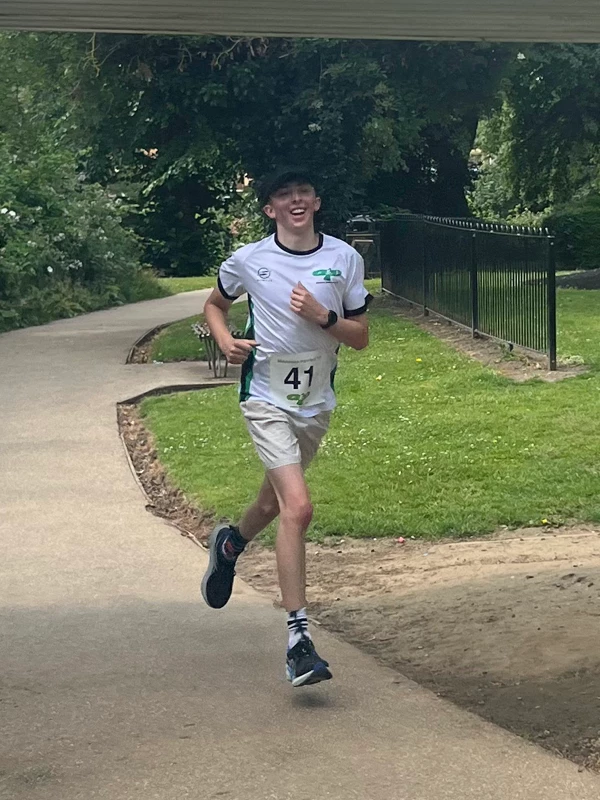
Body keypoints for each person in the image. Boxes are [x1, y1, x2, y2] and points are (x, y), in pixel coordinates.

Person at [201, 167, 371, 687]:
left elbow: (360, 337)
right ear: (269, 209)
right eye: (283, 195)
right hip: (266, 396)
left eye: (303, 193)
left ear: (317, 201)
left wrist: (324, 317)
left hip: (315, 400)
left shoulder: (343, 258)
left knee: (274, 503)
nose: (295, 200)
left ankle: (230, 544)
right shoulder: (250, 261)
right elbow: (214, 304)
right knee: (299, 506)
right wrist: (225, 338)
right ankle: (299, 641)